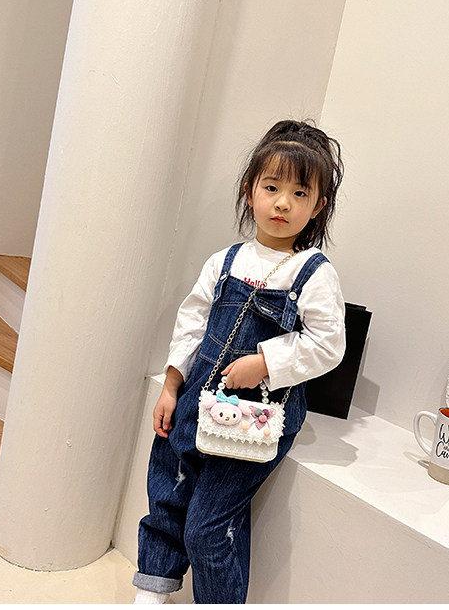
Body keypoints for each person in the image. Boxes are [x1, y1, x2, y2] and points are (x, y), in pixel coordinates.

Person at [133, 119, 346, 604]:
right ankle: (153, 590)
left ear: (318, 206)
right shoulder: (225, 260)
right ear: (250, 191)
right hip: (197, 398)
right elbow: (192, 323)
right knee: (168, 492)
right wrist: (171, 385)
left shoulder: (312, 272)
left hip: (258, 416)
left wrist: (265, 361)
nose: (283, 203)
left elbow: (328, 344)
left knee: (209, 527)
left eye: (299, 193)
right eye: (272, 187)